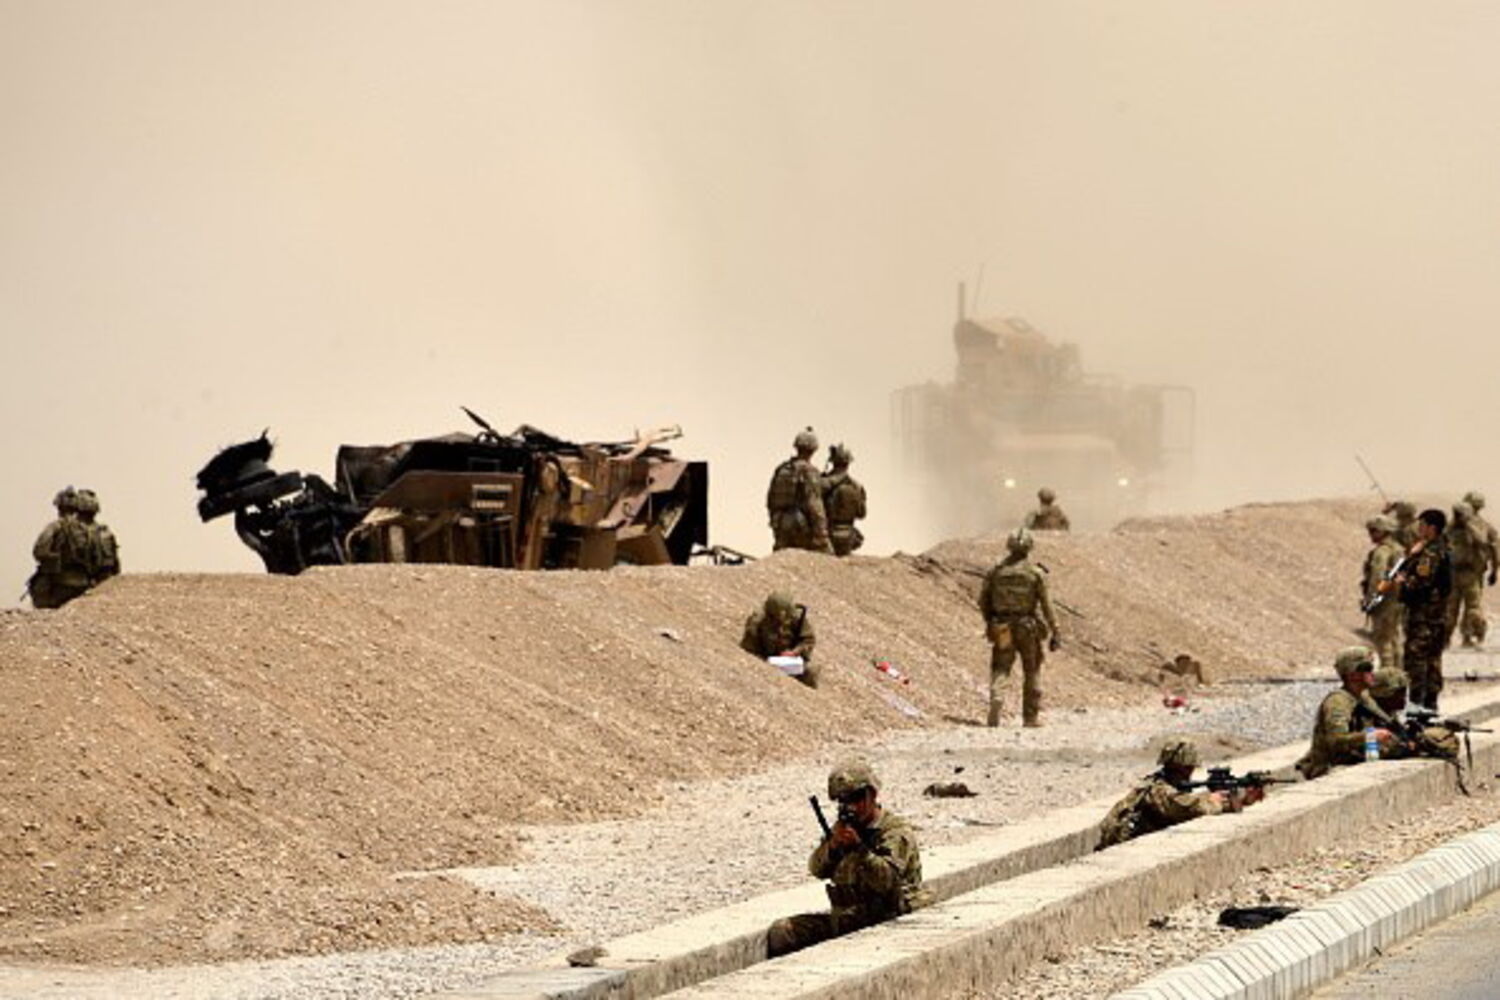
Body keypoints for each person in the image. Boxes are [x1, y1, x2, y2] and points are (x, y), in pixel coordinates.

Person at [766, 759, 927, 957]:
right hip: (848, 920)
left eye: (856, 798)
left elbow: (887, 880)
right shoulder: (844, 828)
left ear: (872, 795)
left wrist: (860, 849)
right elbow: (817, 869)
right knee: (782, 932)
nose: (851, 807)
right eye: (843, 800)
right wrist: (832, 846)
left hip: (887, 921)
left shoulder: (894, 832)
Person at [1096, 739, 1264, 849]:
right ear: (1179, 767)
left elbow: (1187, 802)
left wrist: (1242, 799)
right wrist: (1219, 801)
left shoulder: (1162, 784)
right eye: (1188, 768)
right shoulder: (1159, 790)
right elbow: (1193, 808)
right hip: (1122, 845)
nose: (1191, 772)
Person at [979, 527, 1060, 727]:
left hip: (1002, 627)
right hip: (1027, 628)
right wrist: (1056, 630)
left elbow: (983, 600)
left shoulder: (996, 572)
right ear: (1029, 547)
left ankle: (997, 697)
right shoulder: (1035, 574)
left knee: (1001, 666)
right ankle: (1030, 717)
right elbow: (1047, 605)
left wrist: (990, 621)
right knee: (1032, 670)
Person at [1296, 646, 1401, 779]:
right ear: (1353, 675)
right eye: (1368, 668)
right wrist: (1370, 736)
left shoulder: (1364, 698)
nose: (1372, 673)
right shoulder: (1338, 702)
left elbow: (1386, 722)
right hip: (1329, 768)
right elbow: (1336, 740)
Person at [1392, 509, 1454, 711]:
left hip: (1424, 615)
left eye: (1422, 525)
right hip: (1437, 615)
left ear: (1431, 528)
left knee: (1416, 658)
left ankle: (1417, 702)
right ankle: (1430, 702)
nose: (1419, 528)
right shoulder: (1443, 547)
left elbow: (1421, 583)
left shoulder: (1430, 553)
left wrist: (1403, 581)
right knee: (1433, 658)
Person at [766, 428, 832, 554]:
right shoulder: (809, 471)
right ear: (813, 449)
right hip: (799, 527)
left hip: (780, 524)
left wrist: (775, 522)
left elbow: (770, 500)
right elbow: (815, 505)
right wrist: (822, 537)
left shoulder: (782, 469)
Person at [28, 487, 93, 609]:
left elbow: (39, 552)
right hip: (84, 583)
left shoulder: (54, 527)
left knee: (38, 585)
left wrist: (54, 561)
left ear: (59, 507)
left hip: (59, 583)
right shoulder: (88, 531)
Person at [741, 591, 819, 688]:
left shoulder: (797, 618)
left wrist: (794, 652)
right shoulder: (758, 620)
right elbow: (749, 647)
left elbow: (808, 640)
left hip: (789, 660)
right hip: (765, 656)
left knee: (809, 673)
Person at [1361, 515, 1404, 671]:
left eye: (1374, 531)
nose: (1371, 535)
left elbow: (1377, 577)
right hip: (1397, 599)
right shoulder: (1398, 549)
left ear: (1384, 531)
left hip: (1385, 600)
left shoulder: (1382, 552)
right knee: (1394, 638)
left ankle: (1387, 673)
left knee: (1383, 639)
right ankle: (1399, 671)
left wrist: (1371, 599)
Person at [1445, 502, 1489, 647]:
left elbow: (1482, 541)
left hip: (1469, 573)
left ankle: (1473, 635)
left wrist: (1468, 525)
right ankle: (1446, 638)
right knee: (1450, 609)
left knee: (1473, 609)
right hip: (1452, 573)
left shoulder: (1476, 527)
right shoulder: (1449, 529)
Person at [820, 444, 867, 557]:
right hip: (848, 535)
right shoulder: (857, 486)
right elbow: (862, 514)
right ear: (848, 464)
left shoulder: (824, 484)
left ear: (833, 463)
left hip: (827, 535)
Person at [74, 488, 121, 586]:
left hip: (84, 582)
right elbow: (116, 566)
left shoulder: (73, 532)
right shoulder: (105, 532)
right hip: (102, 582)